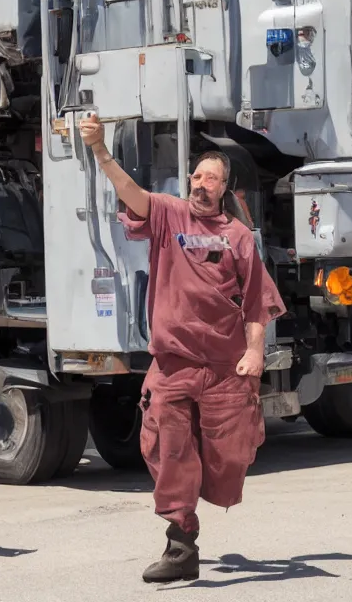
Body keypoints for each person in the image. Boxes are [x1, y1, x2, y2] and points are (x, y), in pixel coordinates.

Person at [77, 113, 286, 584]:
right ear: (188, 180)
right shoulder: (169, 214)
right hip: (172, 365)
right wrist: (100, 151)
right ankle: (181, 542)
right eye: (197, 176)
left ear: (224, 187)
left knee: (229, 458)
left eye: (212, 178)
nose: (202, 184)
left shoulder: (238, 239)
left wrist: (256, 352)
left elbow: (256, 304)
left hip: (224, 368)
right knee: (168, 449)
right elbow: (131, 193)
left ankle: (199, 506)